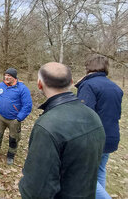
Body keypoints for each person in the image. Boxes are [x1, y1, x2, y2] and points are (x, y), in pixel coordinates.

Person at [19, 62, 105, 199]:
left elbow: (36, 190)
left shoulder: (47, 126)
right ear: (71, 82)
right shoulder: (93, 115)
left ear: (39, 84)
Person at [75, 55, 124, 199]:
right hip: (111, 137)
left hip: (94, 139)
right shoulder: (116, 87)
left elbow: (84, 115)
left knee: (83, 175)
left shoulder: (89, 85)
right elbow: (117, 114)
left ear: (89, 67)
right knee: (100, 171)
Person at [0, 68, 32, 165]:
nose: (6, 77)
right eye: (5, 75)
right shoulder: (1, 85)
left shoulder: (22, 88)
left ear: (14, 77)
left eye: (9, 76)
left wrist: (19, 118)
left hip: (14, 119)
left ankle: (10, 155)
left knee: (13, 138)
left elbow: (27, 105)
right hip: (0, 117)